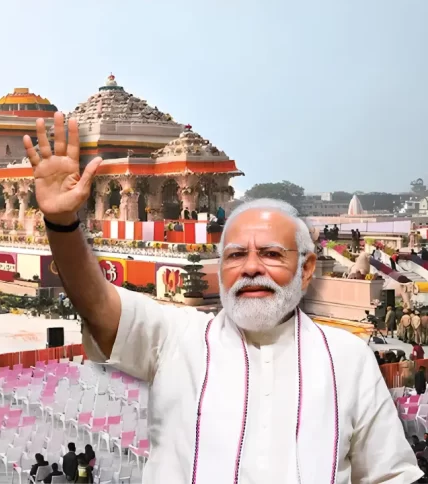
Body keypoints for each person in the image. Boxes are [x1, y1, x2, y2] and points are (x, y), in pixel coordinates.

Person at [22, 112, 419, 482]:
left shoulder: (348, 361)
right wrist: (62, 224)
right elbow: (97, 306)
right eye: (235, 255)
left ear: (308, 268)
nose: (251, 268)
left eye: (271, 254)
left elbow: (391, 475)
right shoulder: (177, 338)